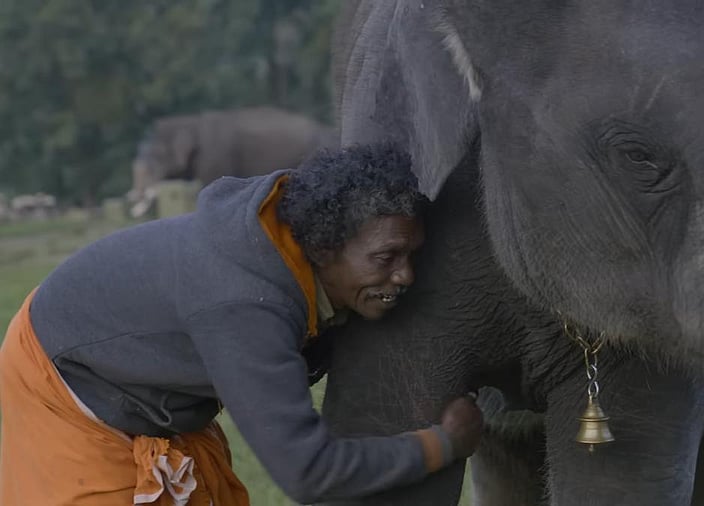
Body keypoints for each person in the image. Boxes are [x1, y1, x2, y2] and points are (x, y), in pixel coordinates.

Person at [0, 143, 483, 505]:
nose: (405, 276)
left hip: (123, 368)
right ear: (322, 248)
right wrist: (440, 445)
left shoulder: (287, 257)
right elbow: (308, 472)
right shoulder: (246, 304)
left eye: (411, 255)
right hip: (57, 381)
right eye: (386, 257)